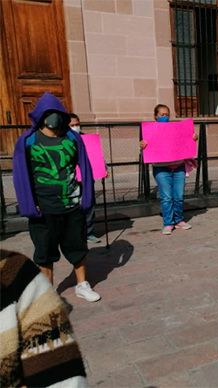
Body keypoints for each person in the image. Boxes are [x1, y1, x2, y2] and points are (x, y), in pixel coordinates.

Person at [12, 92, 101, 302]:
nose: (54, 117)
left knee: (78, 247)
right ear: (41, 116)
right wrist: (28, 204)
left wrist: (86, 197)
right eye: (49, 113)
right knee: (44, 252)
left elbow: (85, 167)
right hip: (43, 208)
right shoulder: (28, 141)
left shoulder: (72, 137)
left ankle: (82, 284)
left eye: (57, 112)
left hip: (71, 205)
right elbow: (20, 174)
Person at [1, 250, 88, 387]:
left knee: (73, 244)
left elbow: (59, 374)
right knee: (46, 252)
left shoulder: (13, 273)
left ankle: (81, 284)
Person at [140, 104, 196, 234]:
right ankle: (168, 222)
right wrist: (142, 145)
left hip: (178, 166)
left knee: (179, 195)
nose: (165, 116)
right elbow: (145, 147)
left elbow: (187, 140)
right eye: (162, 114)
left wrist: (193, 138)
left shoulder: (176, 129)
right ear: (156, 116)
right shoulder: (151, 131)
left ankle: (179, 220)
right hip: (161, 168)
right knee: (166, 197)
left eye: (167, 114)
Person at [69, 113, 101, 243]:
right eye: (72, 125)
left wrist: (102, 167)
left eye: (77, 124)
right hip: (71, 178)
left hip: (87, 177)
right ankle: (75, 233)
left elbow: (95, 155)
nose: (76, 127)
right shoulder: (62, 140)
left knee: (89, 203)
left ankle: (89, 231)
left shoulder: (87, 139)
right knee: (73, 206)